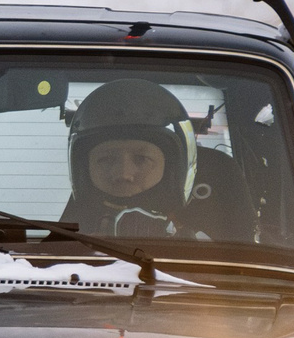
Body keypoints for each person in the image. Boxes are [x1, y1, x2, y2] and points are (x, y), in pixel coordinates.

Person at [61, 79, 200, 238]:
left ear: (171, 168)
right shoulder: (60, 251)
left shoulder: (200, 249)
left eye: (141, 159)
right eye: (106, 159)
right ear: (84, 168)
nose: (123, 174)